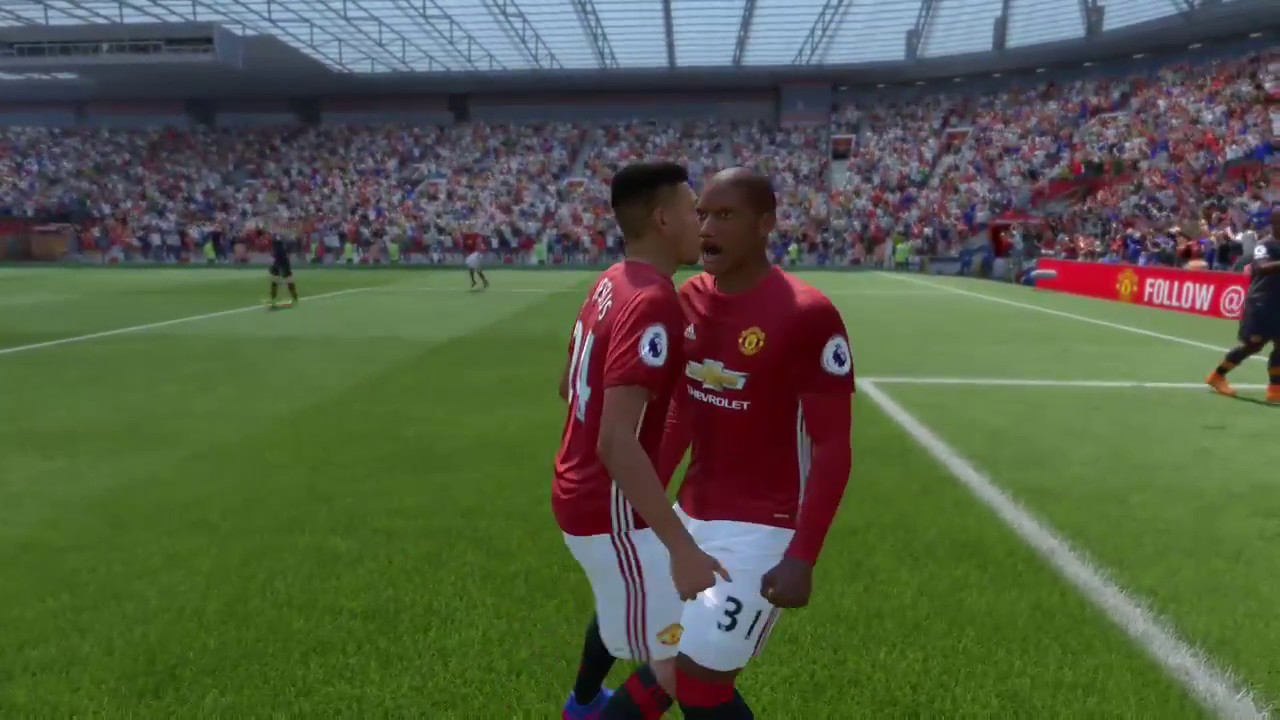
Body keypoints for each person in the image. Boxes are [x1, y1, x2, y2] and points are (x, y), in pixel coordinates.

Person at [657, 168, 855, 719]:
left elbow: (833, 446)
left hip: (763, 529)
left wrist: (802, 557)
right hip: (690, 515)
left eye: (725, 215)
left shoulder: (807, 314)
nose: (706, 228)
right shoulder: (688, 298)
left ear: (765, 223)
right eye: (702, 214)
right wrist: (645, 500)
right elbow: (681, 409)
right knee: (662, 660)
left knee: (700, 683)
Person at [552, 161, 726, 720]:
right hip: (607, 509)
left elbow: (567, 386)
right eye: (692, 210)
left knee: (629, 609)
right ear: (662, 219)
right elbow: (616, 442)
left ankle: (582, 705)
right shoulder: (654, 301)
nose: (701, 223)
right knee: (684, 663)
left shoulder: (610, 280)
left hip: (584, 494)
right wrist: (681, 547)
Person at [1207, 208, 1280, 403]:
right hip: (1262, 302)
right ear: (1275, 223)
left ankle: (1275, 388)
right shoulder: (1264, 245)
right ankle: (1217, 376)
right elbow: (1261, 267)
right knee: (1253, 345)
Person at [268, 231, 299, 309]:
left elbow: (276, 255)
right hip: (282, 263)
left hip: (281, 263)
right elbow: (278, 254)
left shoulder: (277, 245)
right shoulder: (281, 245)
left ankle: (274, 299)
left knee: (278, 281)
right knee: (284, 280)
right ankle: (294, 297)